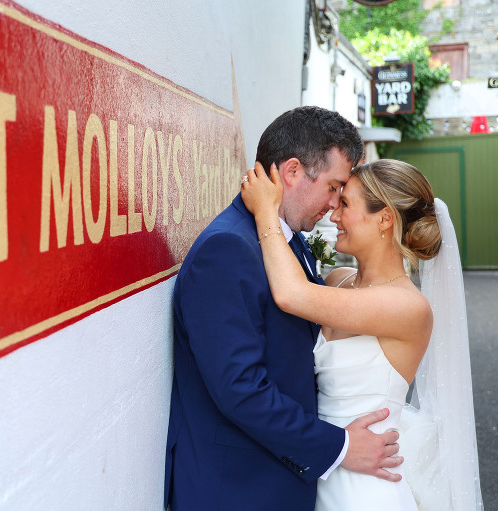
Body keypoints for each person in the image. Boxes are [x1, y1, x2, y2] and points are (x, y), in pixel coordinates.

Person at [163, 106, 402, 511]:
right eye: (333, 187)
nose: (334, 204)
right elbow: (241, 391)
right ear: (292, 171)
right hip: (237, 489)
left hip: (276, 480)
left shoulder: (287, 241)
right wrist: (341, 447)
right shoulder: (227, 249)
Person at [239, 158, 483, 510]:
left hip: (366, 489)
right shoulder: (338, 281)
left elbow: (291, 295)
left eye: (345, 204)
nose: (333, 215)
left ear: (384, 219)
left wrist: (266, 211)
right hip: (318, 468)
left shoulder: (407, 308)